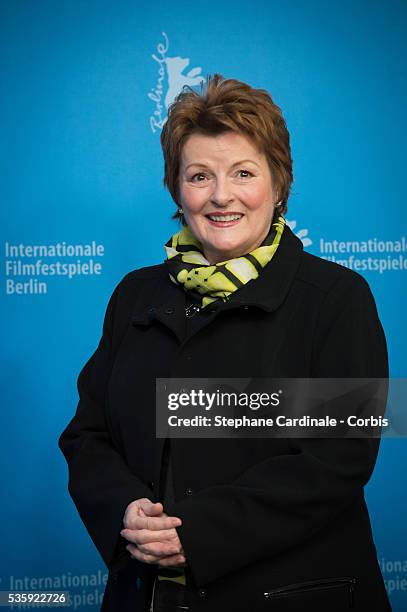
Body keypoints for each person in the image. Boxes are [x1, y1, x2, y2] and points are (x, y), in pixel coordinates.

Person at [59, 74, 391, 611]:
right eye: (199, 176)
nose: (221, 195)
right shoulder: (135, 295)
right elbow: (87, 435)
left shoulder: (336, 297)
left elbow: (339, 455)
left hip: (292, 594)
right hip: (148, 595)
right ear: (176, 189)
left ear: (279, 185)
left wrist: (197, 533)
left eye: (243, 173)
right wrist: (125, 510)